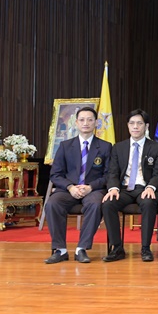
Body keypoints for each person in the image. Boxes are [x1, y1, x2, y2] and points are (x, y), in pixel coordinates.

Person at [44, 107, 112, 264]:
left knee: (95, 204)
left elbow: (109, 175)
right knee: (52, 204)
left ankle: (81, 248)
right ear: (76, 123)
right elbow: (55, 174)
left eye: (90, 120)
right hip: (68, 189)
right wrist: (70, 187)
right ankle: (60, 250)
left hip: (93, 189)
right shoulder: (65, 146)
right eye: (82, 120)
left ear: (96, 122)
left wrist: (90, 187)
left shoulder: (105, 146)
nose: (85, 123)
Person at [101, 110, 158, 263]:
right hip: (124, 189)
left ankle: (145, 248)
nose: (135, 127)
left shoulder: (156, 148)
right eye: (132, 123)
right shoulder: (118, 147)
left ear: (146, 126)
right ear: (128, 126)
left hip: (145, 188)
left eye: (139, 123)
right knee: (108, 204)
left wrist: (151, 187)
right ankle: (117, 248)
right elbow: (113, 172)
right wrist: (113, 188)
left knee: (149, 203)